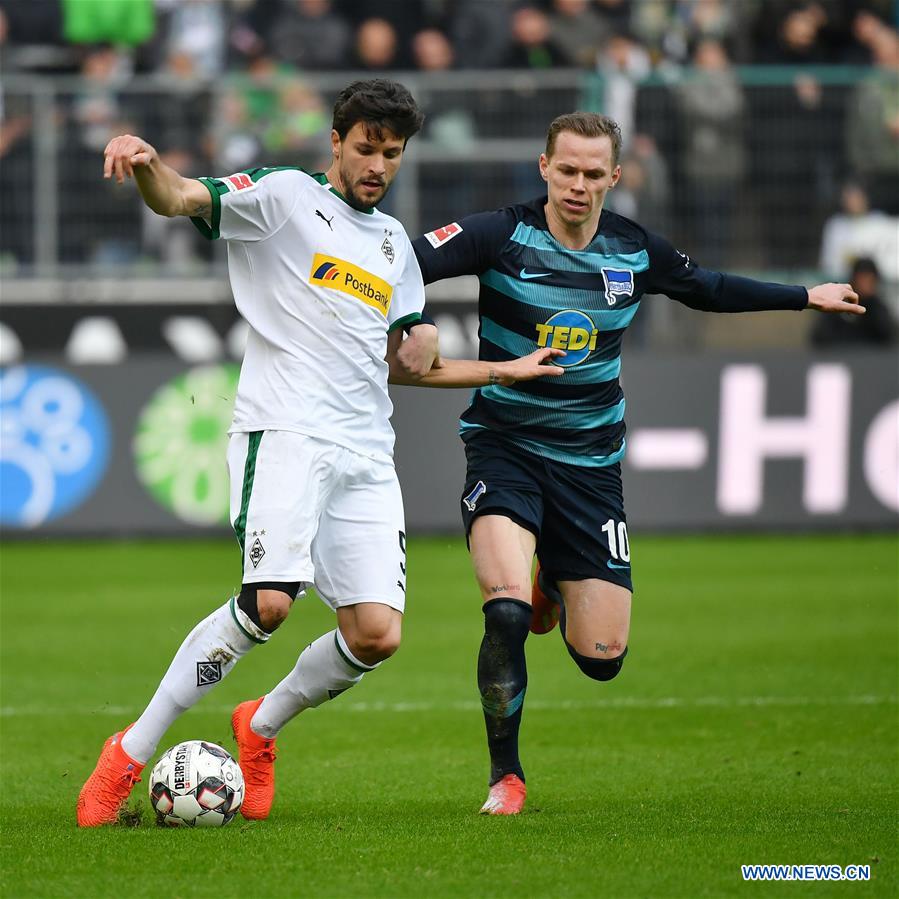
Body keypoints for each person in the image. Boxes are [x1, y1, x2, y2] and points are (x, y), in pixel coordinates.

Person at [76, 78, 561, 828]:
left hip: (366, 452)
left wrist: (500, 369)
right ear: (336, 141)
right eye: (366, 148)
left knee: (376, 634)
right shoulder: (283, 197)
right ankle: (128, 753)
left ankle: (259, 726)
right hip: (285, 430)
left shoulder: (394, 245)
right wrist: (147, 164)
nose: (378, 165)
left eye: (392, 154)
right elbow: (179, 198)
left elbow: (407, 365)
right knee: (269, 602)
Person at [406, 111, 864, 816]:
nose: (578, 185)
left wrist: (804, 295)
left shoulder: (633, 249)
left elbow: (708, 288)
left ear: (614, 177)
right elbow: (399, 262)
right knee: (504, 612)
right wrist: (410, 321)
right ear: (544, 167)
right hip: (505, 447)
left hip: (590, 467)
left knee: (602, 658)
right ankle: (506, 775)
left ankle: (551, 579)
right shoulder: (500, 235)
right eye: (567, 169)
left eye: (593, 173)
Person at [811, 257, 897, 347]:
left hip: (871, 354)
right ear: (854, 279)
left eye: (869, 280)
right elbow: (820, 337)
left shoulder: (879, 307)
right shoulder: (838, 304)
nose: (865, 284)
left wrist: (872, 303)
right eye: (862, 279)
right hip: (839, 352)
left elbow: (888, 337)